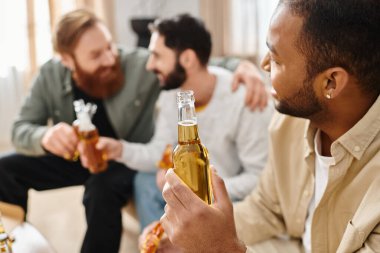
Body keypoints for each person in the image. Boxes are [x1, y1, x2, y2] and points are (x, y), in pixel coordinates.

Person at [0, 9, 269, 253]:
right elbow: (20, 128)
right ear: (67, 60)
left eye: (109, 47)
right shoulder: (50, 75)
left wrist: (245, 67)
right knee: (4, 167)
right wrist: (44, 137)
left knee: (104, 188)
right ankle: (11, 239)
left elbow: (198, 62)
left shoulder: (139, 65)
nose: (109, 57)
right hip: (77, 155)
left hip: (119, 164)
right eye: (96, 55)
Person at [159, 0, 380, 253]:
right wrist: (190, 230)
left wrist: (221, 247)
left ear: (330, 82)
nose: (263, 65)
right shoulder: (288, 123)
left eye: (276, 59)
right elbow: (267, 207)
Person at [82, 14, 273, 232]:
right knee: (144, 182)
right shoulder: (170, 96)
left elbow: (258, 178)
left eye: (157, 56)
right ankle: (158, 244)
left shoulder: (243, 100)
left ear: (187, 60)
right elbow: (160, 150)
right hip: (189, 187)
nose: (149, 65)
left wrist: (197, 187)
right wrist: (120, 150)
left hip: (227, 193)